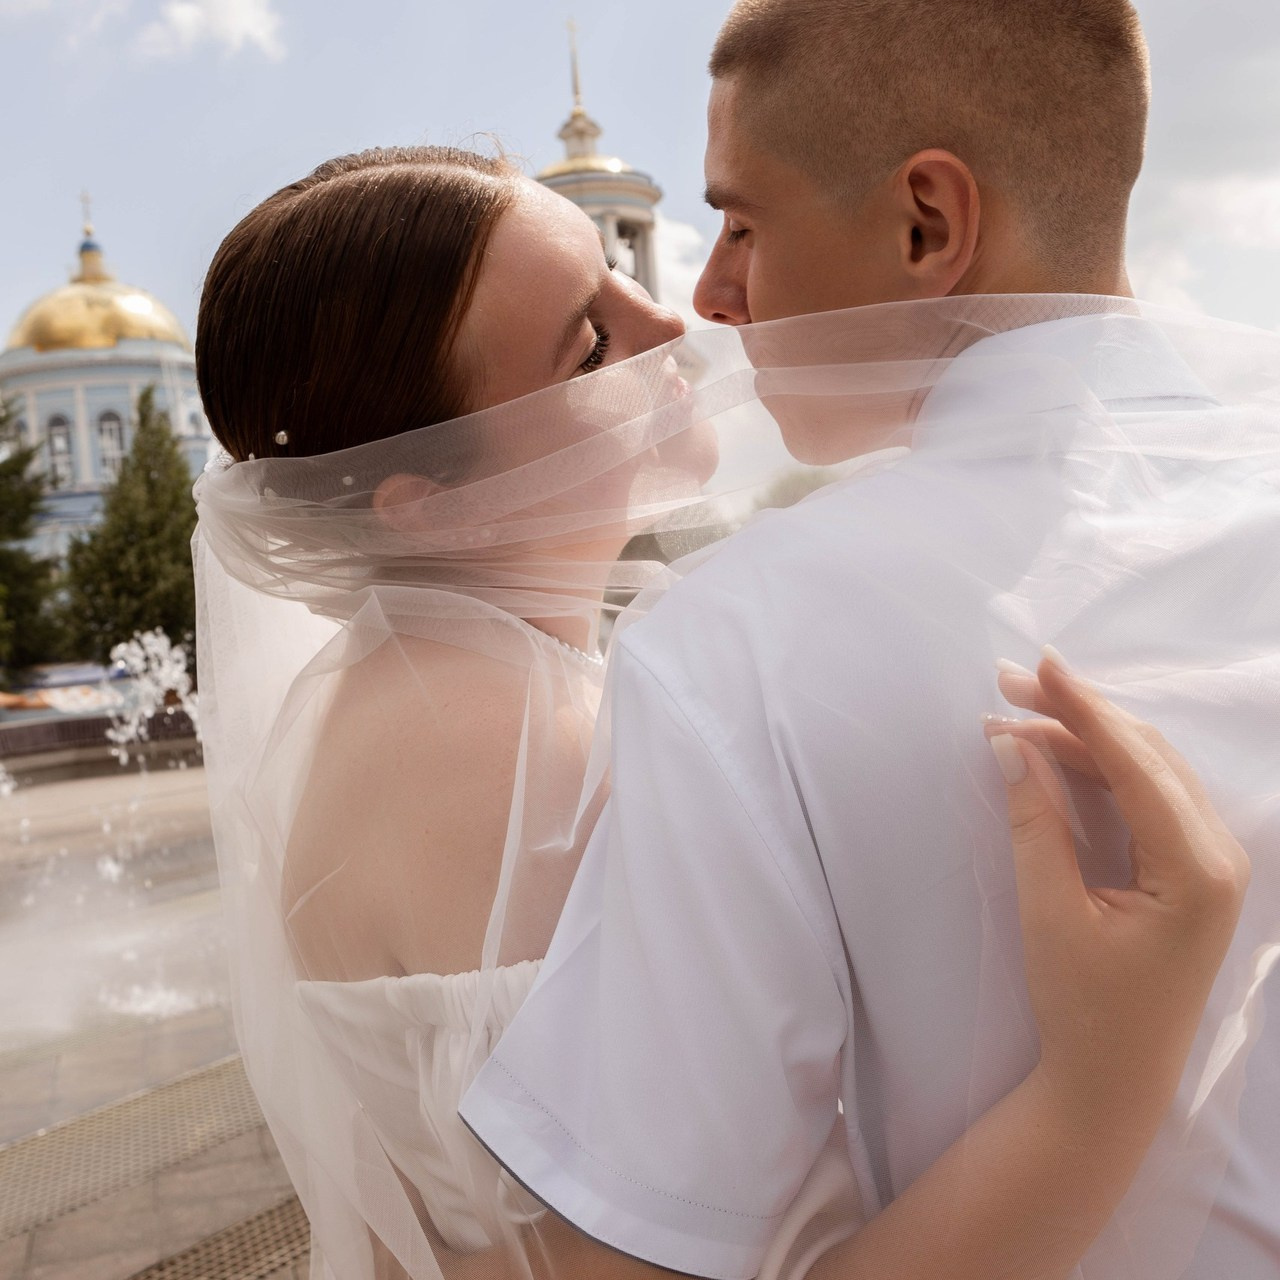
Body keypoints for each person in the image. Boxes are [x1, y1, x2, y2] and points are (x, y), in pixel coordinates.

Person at [458, 1, 1280, 1278]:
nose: (709, 294)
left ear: (924, 225)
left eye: (741, 224)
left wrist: (1083, 1103)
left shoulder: (742, 645)